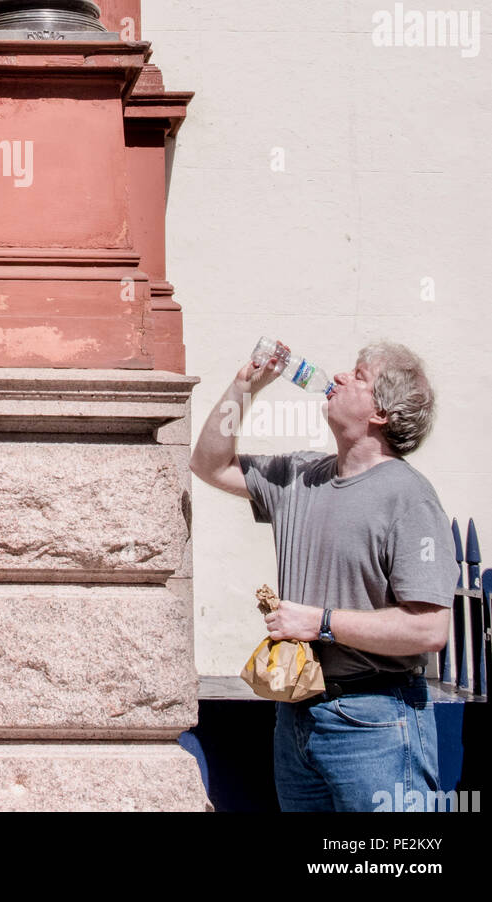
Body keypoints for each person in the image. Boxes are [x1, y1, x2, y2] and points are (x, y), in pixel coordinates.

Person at [191, 342, 458, 812]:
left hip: (377, 721)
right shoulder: (300, 476)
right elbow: (209, 464)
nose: (337, 376)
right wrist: (243, 389)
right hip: (297, 715)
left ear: (381, 413)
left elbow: (429, 628)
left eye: (358, 375)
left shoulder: (408, 497)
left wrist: (320, 623)